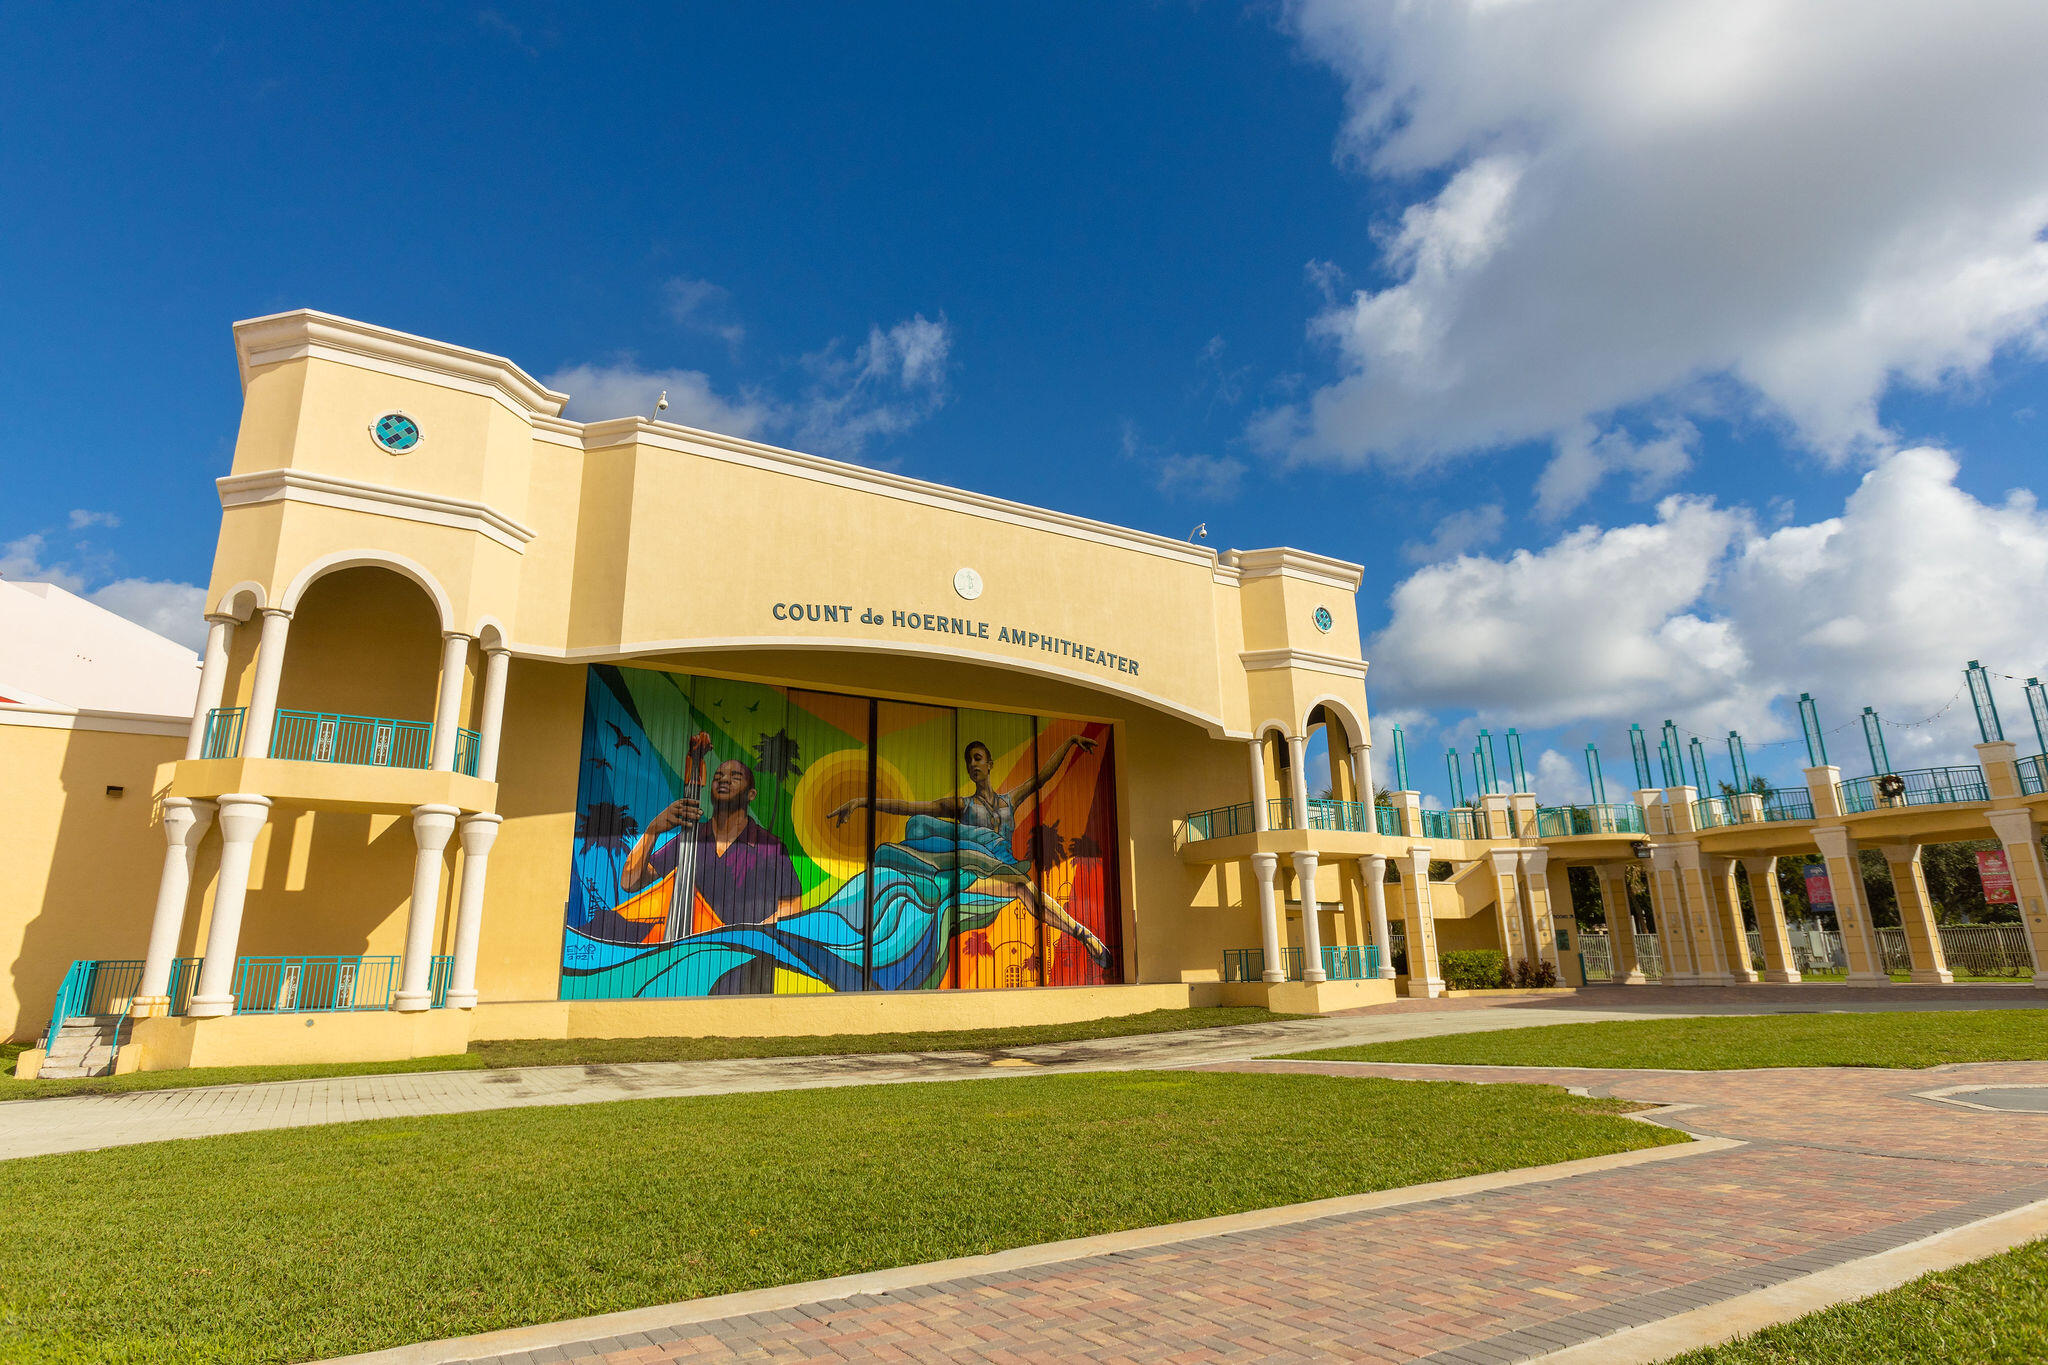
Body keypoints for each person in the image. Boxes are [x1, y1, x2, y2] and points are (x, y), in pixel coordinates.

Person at [830, 734, 1115, 970]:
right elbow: (909, 807)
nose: (972, 764)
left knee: (1023, 889)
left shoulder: (1009, 801)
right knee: (1022, 888)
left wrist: (1069, 742)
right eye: (969, 761)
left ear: (990, 764)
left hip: (1005, 868)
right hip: (973, 876)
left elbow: (1042, 777)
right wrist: (860, 801)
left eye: (977, 759)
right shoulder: (962, 805)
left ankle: (1085, 936)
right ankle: (1086, 936)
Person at [606, 759, 804, 994]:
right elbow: (630, 881)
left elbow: (792, 904)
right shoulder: (689, 840)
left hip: (748, 969)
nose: (724, 780)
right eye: (718, 776)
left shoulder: (769, 846)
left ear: (751, 794)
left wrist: (747, 938)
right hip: (690, 965)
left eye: (735, 776)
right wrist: (652, 830)